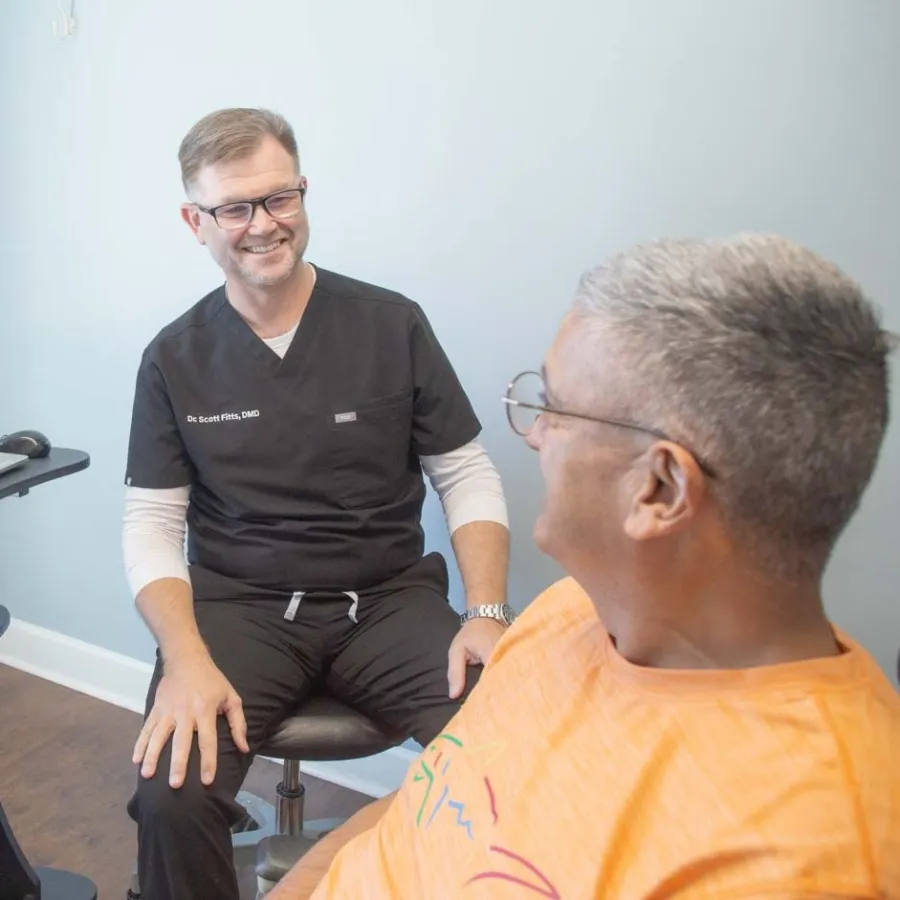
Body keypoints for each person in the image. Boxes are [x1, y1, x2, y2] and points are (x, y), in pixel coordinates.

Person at [270, 234, 900, 899]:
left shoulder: (797, 859)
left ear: (658, 490)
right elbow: (414, 813)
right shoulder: (568, 613)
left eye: (556, 408)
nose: (534, 433)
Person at [121, 107, 513, 900]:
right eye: (235, 208)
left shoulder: (389, 324)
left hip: (389, 600)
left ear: (302, 192)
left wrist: (487, 612)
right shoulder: (173, 358)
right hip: (241, 607)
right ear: (195, 221)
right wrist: (187, 661)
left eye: (280, 198)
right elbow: (154, 524)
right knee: (171, 795)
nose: (263, 225)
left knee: (510, 757)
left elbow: (463, 469)